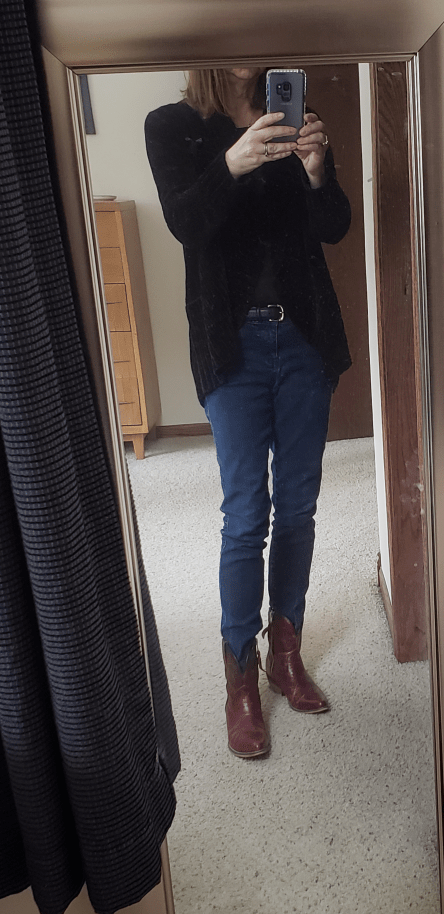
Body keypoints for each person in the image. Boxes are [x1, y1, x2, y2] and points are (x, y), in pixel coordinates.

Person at [144, 67, 352, 758]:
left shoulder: (291, 116)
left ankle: (285, 652)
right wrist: (231, 162)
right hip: (232, 344)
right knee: (245, 512)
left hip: (303, 338)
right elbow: (186, 224)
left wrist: (317, 171)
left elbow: (334, 227)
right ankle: (239, 677)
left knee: (298, 504)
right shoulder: (172, 128)